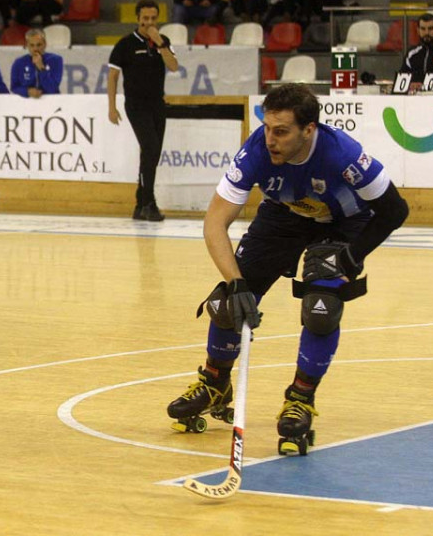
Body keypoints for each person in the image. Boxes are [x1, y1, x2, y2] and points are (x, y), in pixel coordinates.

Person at [166, 83, 409, 455]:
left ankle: (301, 398)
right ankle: (216, 382)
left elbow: (395, 211)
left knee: (321, 308)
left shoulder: (341, 155)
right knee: (228, 303)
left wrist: (350, 257)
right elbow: (214, 224)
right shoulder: (255, 152)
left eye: (281, 132)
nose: (271, 140)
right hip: (285, 215)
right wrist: (235, 284)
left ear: (308, 130)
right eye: (267, 128)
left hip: (345, 223)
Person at [107, 0, 178, 222]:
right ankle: (149, 202)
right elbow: (113, 75)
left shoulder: (163, 41)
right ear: (138, 19)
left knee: (152, 153)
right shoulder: (125, 44)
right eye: (145, 19)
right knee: (150, 147)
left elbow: (174, 66)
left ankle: (140, 204)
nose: (149, 23)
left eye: (153, 18)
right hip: (136, 105)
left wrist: (161, 45)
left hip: (157, 103)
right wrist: (112, 106)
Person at [10, 28, 63, 97]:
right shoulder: (19, 62)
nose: (35, 49)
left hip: (51, 103)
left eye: (39, 45)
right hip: (26, 104)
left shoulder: (56, 60)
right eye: (32, 45)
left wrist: (41, 68)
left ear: (45, 44)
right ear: (27, 45)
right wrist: (27, 91)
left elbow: (52, 89)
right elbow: (14, 87)